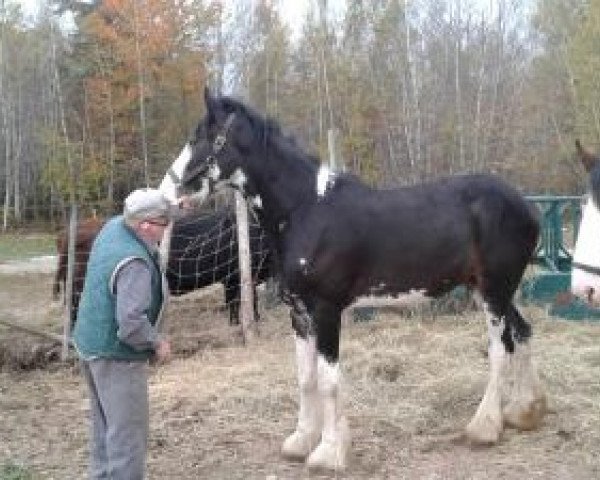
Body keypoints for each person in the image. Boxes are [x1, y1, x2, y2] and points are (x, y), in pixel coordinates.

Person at [73, 187, 173, 480]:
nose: (166, 230)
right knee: (128, 437)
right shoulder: (135, 263)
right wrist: (157, 343)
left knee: (105, 428)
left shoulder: (115, 227)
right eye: (163, 224)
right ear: (145, 225)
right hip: (118, 357)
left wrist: (180, 206)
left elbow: (153, 212)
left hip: (90, 346)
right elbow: (130, 323)